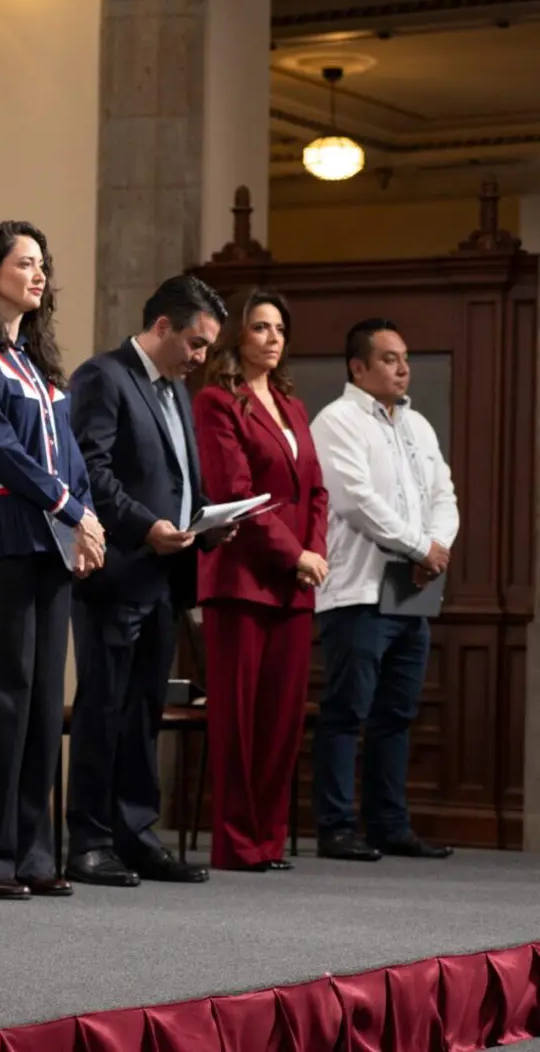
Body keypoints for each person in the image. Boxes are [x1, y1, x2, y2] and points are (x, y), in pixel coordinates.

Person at [0, 222, 105, 901]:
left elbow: (71, 453)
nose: (39, 275)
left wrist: (85, 517)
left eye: (43, 264)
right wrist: (71, 508)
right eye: (25, 263)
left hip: (45, 541)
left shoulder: (37, 363)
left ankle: (32, 854)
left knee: (37, 706)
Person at [64, 274, 224, 888]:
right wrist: (146, 526)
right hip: (117, 571)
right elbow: (92, 473)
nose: (201, 357)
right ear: (162, 328)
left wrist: (209, 518)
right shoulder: (104, 377)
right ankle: (89, 841)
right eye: (195, 342)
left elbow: (179, 477)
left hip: (163, 576)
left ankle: (135, 835)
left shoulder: (175, 390)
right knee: (103, 710)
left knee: (144, 714)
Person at [309, 319, 458, 861]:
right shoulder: (338, 420)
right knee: (348, 710)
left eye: (405, 358)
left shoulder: (416, 425)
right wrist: (422, 548)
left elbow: (444, 492)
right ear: (358, 367)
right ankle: (335, 827)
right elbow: (355, 500)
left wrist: (435, 545)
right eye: (390, 359)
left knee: (396, 713)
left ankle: (389, 825)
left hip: (411, 592)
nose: (403, 368)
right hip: (357, 591)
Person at [192, 288, 328, 871]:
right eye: (260, 327)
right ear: (237, 337)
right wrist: (294, 553)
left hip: (295, 584)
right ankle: (235, 843)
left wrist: (313, 553)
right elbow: (235, 494)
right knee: (239, 720)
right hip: (241, 578)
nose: (272, 338)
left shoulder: (293, 407)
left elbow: (316, 490)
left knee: (280, 720)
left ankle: (268, 839)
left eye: (279, 329)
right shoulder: (218, 401)